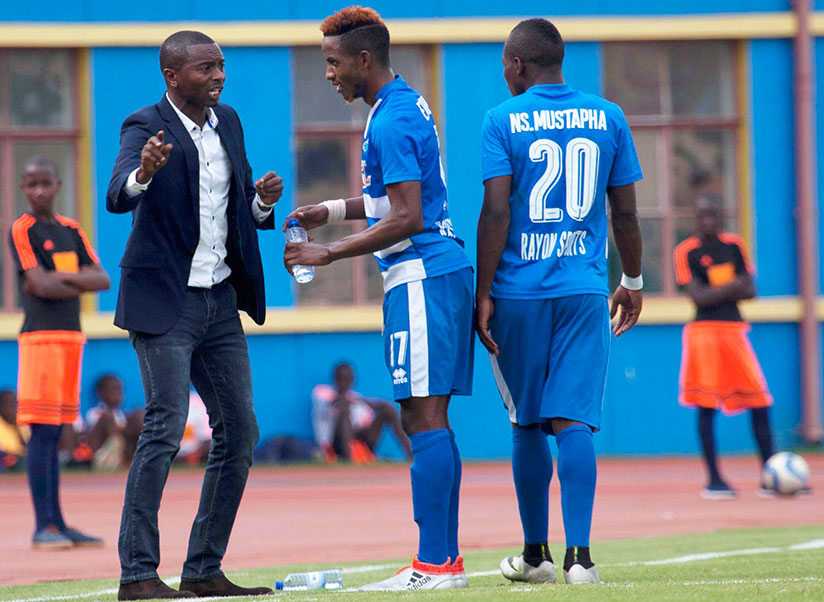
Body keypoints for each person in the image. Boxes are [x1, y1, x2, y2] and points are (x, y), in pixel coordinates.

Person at [284, 6, 474, 590]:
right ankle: (443, 561)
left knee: (423, 416)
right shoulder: (403, 103)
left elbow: (409, 215)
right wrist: (332, 210)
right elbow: (396, 198)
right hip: (434, 272)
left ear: (364, 59)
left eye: (333, 62)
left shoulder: (388, 120)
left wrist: (330, 252)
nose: (328, 74)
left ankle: (434, 565)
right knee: (427, 416)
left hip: (421, 274)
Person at [106, 30, 283, 600]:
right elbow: (117, 194)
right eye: (207, 68)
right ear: (173, 76)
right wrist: (145, 173)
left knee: (241, 430)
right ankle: (137, 575)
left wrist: (261, 203)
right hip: (166, 301)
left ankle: (204, 569)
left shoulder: (226, 120)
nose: (219, 76)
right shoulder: (142, 124)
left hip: (220, 300)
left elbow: (237, 208)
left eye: (222, 66)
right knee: (164, 427)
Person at [475, 19, 643, 586]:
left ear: (519, 65)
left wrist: (483, 291)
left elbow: (496, 211)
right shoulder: (609, 116)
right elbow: (625, 212)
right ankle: (581, 560)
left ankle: (535, 555)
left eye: (505, 63)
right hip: (583, 291)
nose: (504, 72)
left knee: (526, 422)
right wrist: (636, 281)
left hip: (519, 293)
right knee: (573, 421)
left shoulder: (501, 119)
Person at [9, 155, 111, 549]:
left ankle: (59, 523)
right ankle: (43, 526)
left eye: (45, 183)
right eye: (31, 184)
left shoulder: (71, 229)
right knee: (42, 432)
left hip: (72, 339)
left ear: (58, 185)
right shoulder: (22, 229)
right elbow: (37, 284)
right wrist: (74, 281)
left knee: (58, 433)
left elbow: (101, 279)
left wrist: (58, 278)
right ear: (23, 188)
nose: (38, 191)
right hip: (40, 340)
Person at [674, 195, 775, 499]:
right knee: (706, 404)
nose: (708, 219)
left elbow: (751, 291)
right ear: (696, 217)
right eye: (702, 214)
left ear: (721, 215)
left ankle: (771, 475)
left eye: (713, 213)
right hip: (703, 333)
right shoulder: (686, 251)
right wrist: (732, 286)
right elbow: (699, 299)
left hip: (735, 331)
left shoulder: (734, 246)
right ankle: (715, 480)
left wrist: (716, 289)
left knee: (760, 401)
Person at [312, 362, 413, 462]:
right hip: (334, 443)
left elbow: (364, 422)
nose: (345, 381)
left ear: (353, 380)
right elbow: (334, 402)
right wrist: (357, 402)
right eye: (341, 378)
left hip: (358, 440)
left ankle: (410, 455)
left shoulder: (356, 398)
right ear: (335, 378)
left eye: (348, 378)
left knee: (387, 409)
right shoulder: (322, 392)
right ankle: (349, 461)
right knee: (344, 412)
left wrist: (374, 404)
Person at [85, 374, 144, 468]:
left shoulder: (122, 415)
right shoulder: (95, 412)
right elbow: (95, 435)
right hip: (102, 449)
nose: (118, 394)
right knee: (109, 420)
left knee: (139, 414)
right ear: (100, 393)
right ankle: (109, 459)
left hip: (124, 449)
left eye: (120, 390)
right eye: (113, 389)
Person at [0, 389, 28, 472]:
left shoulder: (21, 422)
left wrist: (16, 426)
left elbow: (27, 445)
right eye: (8, 405)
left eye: (14, 405)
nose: (12, 409)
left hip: (21, 458)